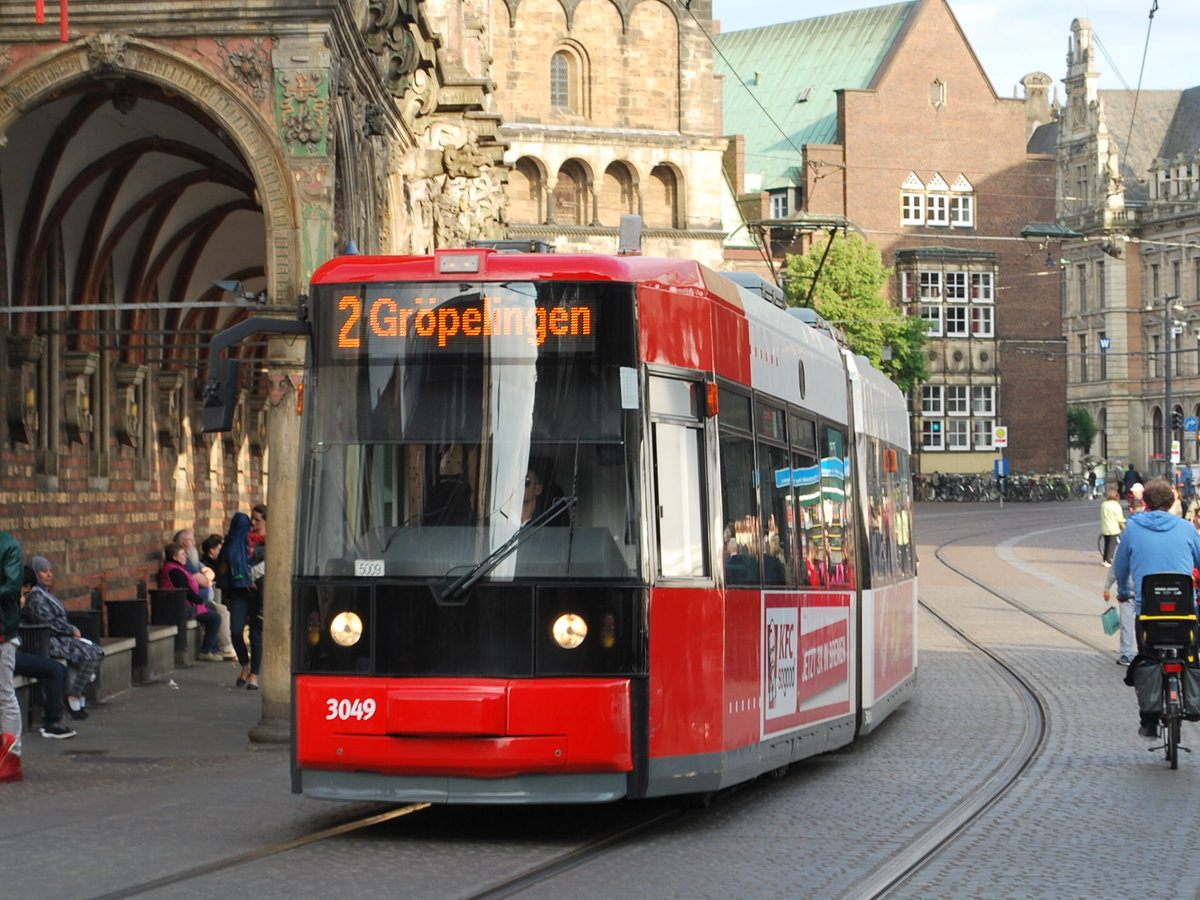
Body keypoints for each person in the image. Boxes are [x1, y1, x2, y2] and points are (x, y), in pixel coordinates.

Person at [1112, 478, 1200, 739]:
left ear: (1145, 502)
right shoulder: (1186, 528)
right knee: (1192, 651)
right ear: (1173, 502)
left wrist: (1124, 591)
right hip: (1185, 612)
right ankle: (1194, 701)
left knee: (1148, 657)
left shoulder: (1133, 528)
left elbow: (1121, 566)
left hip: (1149, 613)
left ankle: (1149, 720)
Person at [22, 555, 103, 721]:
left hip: (58, 637)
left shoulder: (44, 593)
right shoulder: (35, 596)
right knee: (93, 653)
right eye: (44, 571)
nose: (49, 575)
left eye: (50, 571)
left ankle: (77, 693)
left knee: (95, 652)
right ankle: (74, 696)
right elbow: (46, 621)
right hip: (47, 640)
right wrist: (70, 629)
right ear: (36, 573)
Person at [15, 568, 75, 739]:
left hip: (12, 653)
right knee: (56, 670)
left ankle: (53, 720)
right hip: (8, 656)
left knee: (57, 669)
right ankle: (52, 723)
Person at [217, 512, 261, 690]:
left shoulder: (263, 542)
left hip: (259, 593)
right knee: (236, 632)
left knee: (256, 636)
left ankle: (254, 676)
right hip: (238, 593)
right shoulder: (232, 543)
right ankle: (245, 665)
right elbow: (222, 568)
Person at [160, 542, 223, 662]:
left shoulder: (177, 568)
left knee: (214, 611)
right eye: (183, 554)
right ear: (174, 557)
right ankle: (206, 651)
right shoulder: (175, 571)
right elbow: (186, 591)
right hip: (181, 606)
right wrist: (200, 601)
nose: (186, 557)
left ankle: (214, 649)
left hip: (185, 604)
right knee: (215, 618)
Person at [0, 530, 23, 781]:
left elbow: (12, 586)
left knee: (4, 693)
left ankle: (11, 757)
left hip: (2, 630)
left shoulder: (8, 546)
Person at [200, 533, 235, 660]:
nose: (221, 552)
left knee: (224, 610)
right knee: (221, 612)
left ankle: (227, 646)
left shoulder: (215, 562)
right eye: (219, 549)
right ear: (212, 550)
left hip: (213, 597)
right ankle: (225, 647)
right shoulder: (206, 563)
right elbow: (210, 579)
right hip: (206, 599)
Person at [1098, 490, 1124, 567]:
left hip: (1104, 527)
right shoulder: (1116, 506)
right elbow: (1120, 518)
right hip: (1113, 528)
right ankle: (1109, 560)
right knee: (1112, 544)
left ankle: (1104, 559)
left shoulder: (1104, 504)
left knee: (1106, 544)